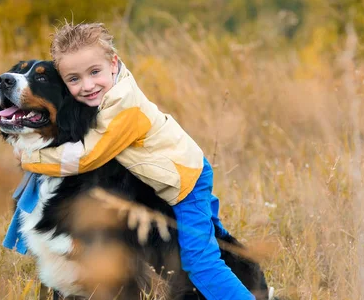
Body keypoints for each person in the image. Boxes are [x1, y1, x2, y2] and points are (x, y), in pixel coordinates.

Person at [18, 22, 254, 300]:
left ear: (113, 64)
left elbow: (86, 157)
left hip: (184, 183)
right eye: (74, 79)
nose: (87, 85)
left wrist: (30, 157)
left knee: (200, 261)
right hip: (178, 169)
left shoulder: (124, 109)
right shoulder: (108, 95)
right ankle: (252, 278)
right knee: (213, 238)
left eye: (94, 72)